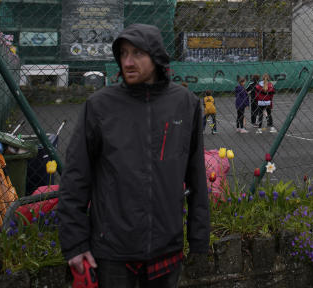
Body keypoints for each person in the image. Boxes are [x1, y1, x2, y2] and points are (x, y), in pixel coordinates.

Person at [59, 24, 210, 288]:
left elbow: (196, 176)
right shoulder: (99, 106)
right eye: (123, 53)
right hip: (112, 252)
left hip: (167, 247)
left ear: (156, 57)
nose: (128, 62)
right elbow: (75, 178)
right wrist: (74, 243)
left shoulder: (185, 104)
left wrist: (198, 237)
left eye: (137, 53)